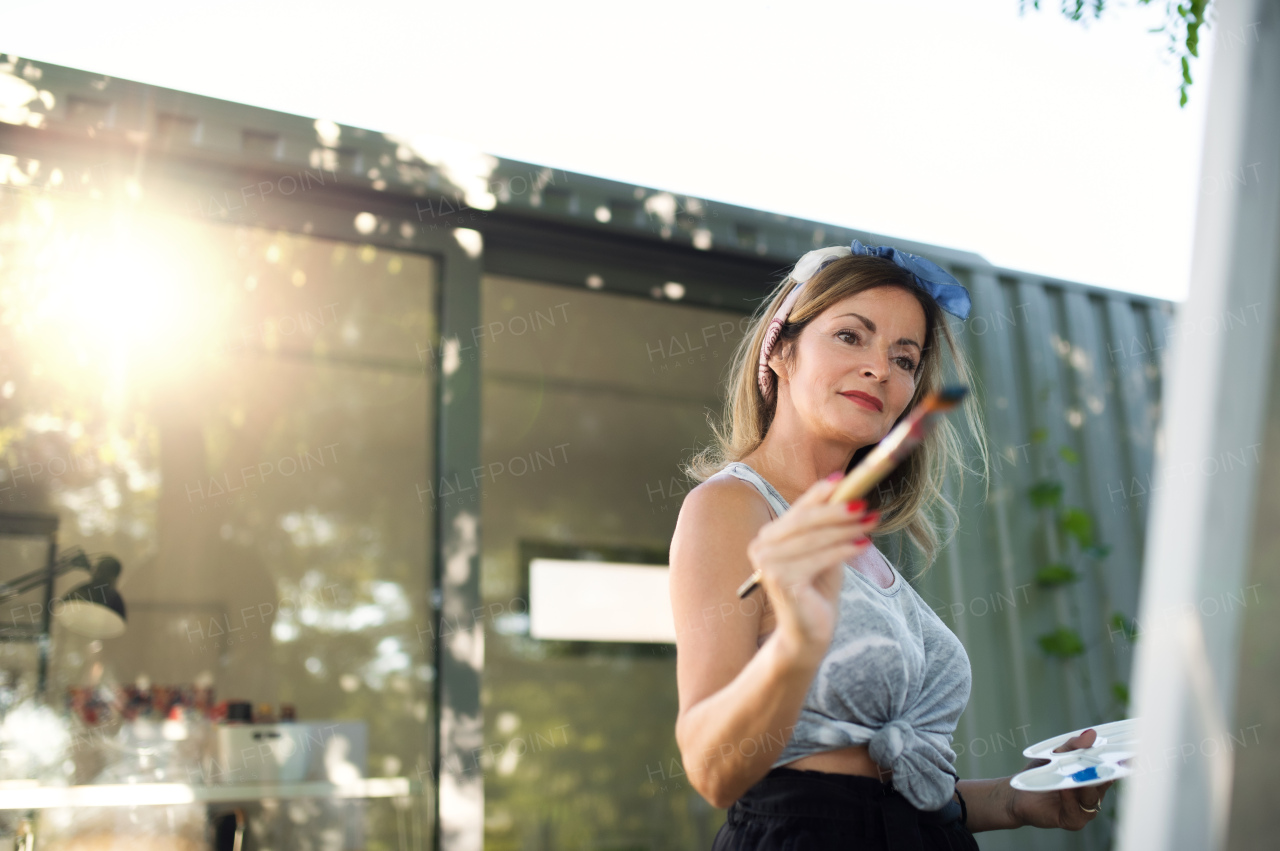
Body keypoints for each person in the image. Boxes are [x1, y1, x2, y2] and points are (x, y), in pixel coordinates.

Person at [669, 241, 1115, 848]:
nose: (881, 368)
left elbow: (890, 793)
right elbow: (714, 770)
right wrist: (797, 645)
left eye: (905, 359)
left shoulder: (864, 549)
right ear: (780, 349)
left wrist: (1014, 800)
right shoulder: (730, 508)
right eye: (851, 336)